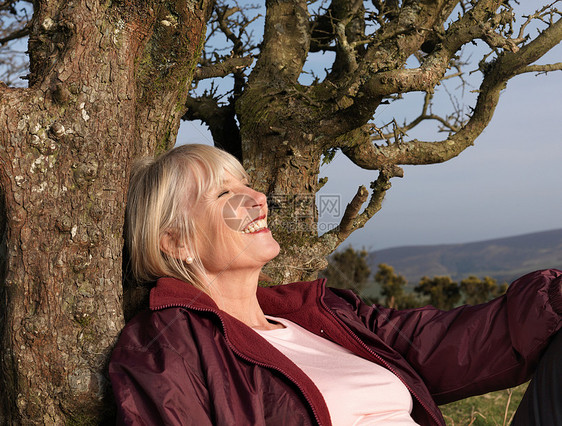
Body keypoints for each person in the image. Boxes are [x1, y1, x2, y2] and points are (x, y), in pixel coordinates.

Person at [109, 143, 562, 425]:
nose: (257, 199)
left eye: (247, 185)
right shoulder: (170, 345)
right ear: (176, 241)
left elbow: (450, 343)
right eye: (225, 194)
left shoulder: (323, 316)